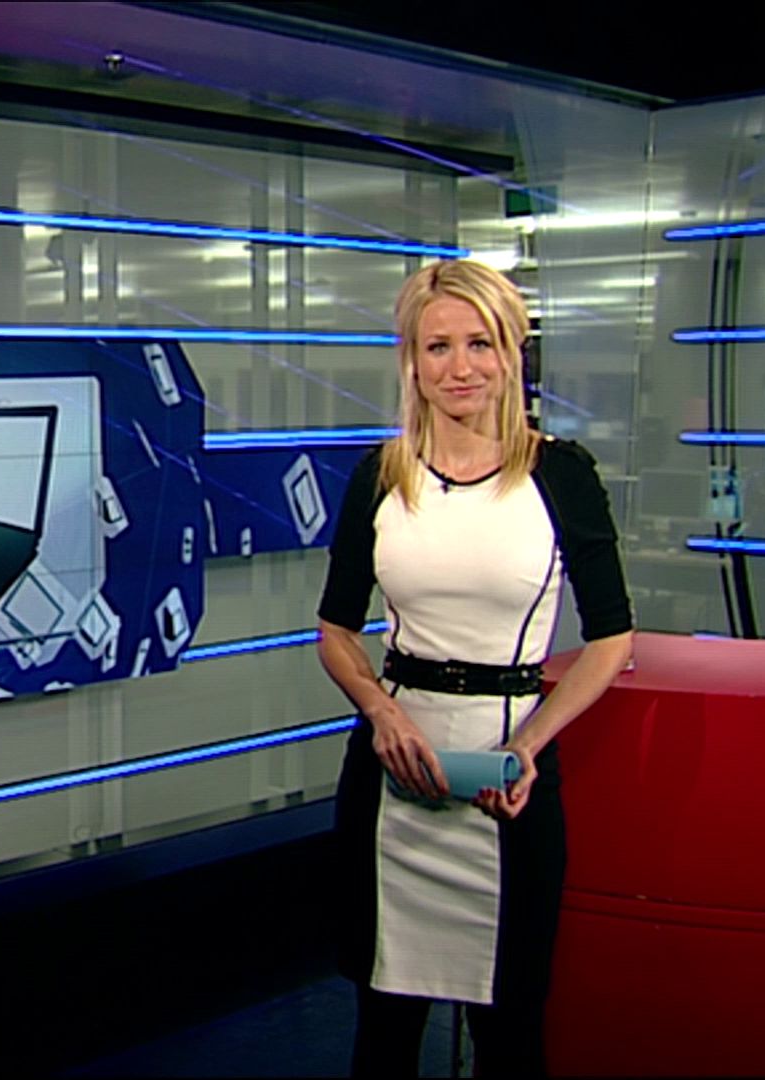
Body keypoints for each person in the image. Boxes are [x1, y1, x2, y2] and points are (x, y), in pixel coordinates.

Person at [315, 259, 635, 1077]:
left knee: (511, 1029)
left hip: (508, 775)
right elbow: (335, 630)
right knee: (384, 1029)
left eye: (479, 344)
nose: (460, 367)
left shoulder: (562, 475)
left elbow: (611, 640)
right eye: (438, 347)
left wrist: (529, 745)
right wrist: (381, 713)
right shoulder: (379, 476)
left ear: (511, 352)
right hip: (393, 775)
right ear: (412, 362)